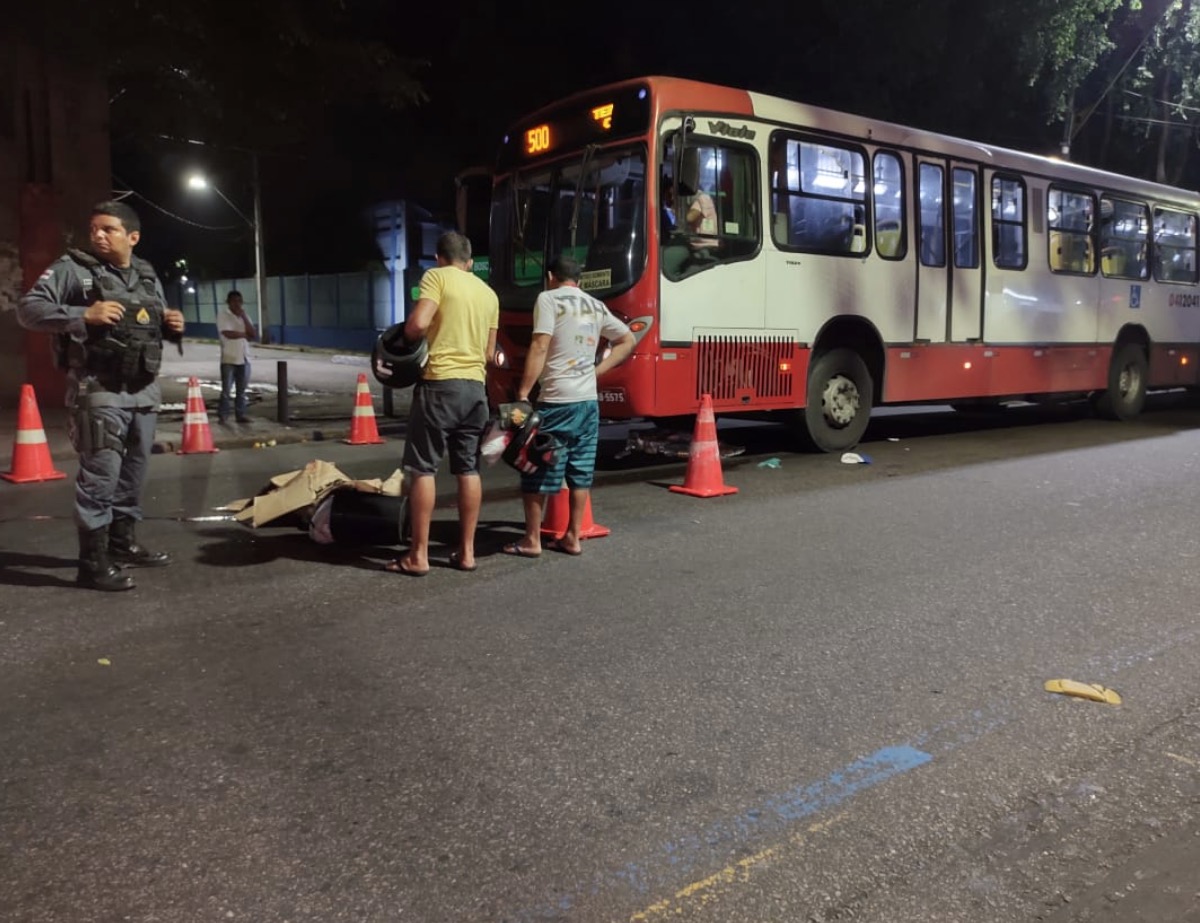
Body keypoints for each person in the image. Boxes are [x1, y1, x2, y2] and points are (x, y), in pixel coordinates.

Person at [17, 200, 185, 591]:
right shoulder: (72, 268)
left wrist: (172, 325)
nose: (98, 235)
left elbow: (150, 323)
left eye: (108, 229)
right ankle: (92, 564)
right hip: (99, 390)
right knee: (101, 479)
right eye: (94, 228)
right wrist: (81, 316)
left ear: (133, 237)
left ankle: (121, 545)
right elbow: (29, 310)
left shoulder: (146, 274)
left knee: (133, 474)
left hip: (144, 392)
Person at [504, 254, 635, 558]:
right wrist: (596, 371)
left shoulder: (549, 300)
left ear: (551, 276)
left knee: (534, 465)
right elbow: (627, 340)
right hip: (588, 402)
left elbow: (539, 345)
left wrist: (524, 390)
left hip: (556, 400)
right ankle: (573, 536)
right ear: (578, 279)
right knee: (581, 469)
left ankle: (532, 540)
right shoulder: (595, 304)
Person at [386, 231, 498, 576]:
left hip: (440, 385)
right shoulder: (488, 293)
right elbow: (490, 354)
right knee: (468, 468)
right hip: (475, 389)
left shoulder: (436, 277)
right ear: (469, 262)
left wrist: (405, 340)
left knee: (423, 467)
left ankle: (418, 556)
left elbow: (418, 324)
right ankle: (466, 553)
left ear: (439, 258)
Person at [216, 289, 256, 424]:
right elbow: (227, 333)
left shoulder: (245, 316)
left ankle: (241, 415)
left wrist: (243, 317)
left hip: (245, 358)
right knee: (226, 390)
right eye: (234, 301)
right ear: (228, 302)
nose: (237, 304)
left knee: (241, 391)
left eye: (239, 301)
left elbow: (253, 334)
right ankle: (223, 415)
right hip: (229, 358)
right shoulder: (223, 315)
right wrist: (244, 334)